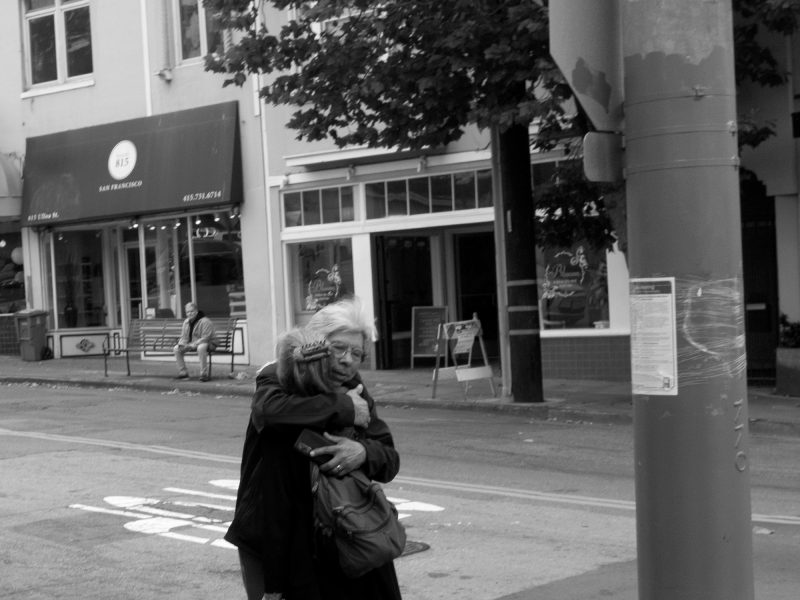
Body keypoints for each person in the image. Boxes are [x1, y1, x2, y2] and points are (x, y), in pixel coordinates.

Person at [225, 298, 402, 600]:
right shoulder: (278, 376)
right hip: (278, 536)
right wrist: (343, 406)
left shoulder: (355, 387)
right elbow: (268, 413)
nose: (348, 360)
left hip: (345, 533)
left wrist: (361, 452)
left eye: (357, 353)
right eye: (339, 348)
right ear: (314, 344)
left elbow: (388, 458)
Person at [173, 302, 216, 381]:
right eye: (187, 312)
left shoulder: (205, 321)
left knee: (201, 347)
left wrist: (191, 345)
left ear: (196, 311)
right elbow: (184, 337)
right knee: (176, 348)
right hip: (193, 344)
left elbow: (205, 338)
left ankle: (204, 374)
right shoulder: (186, 322)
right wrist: (181, 344)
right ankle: (183, 373)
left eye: (192, 311)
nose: (190, 313)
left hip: (209, 343)